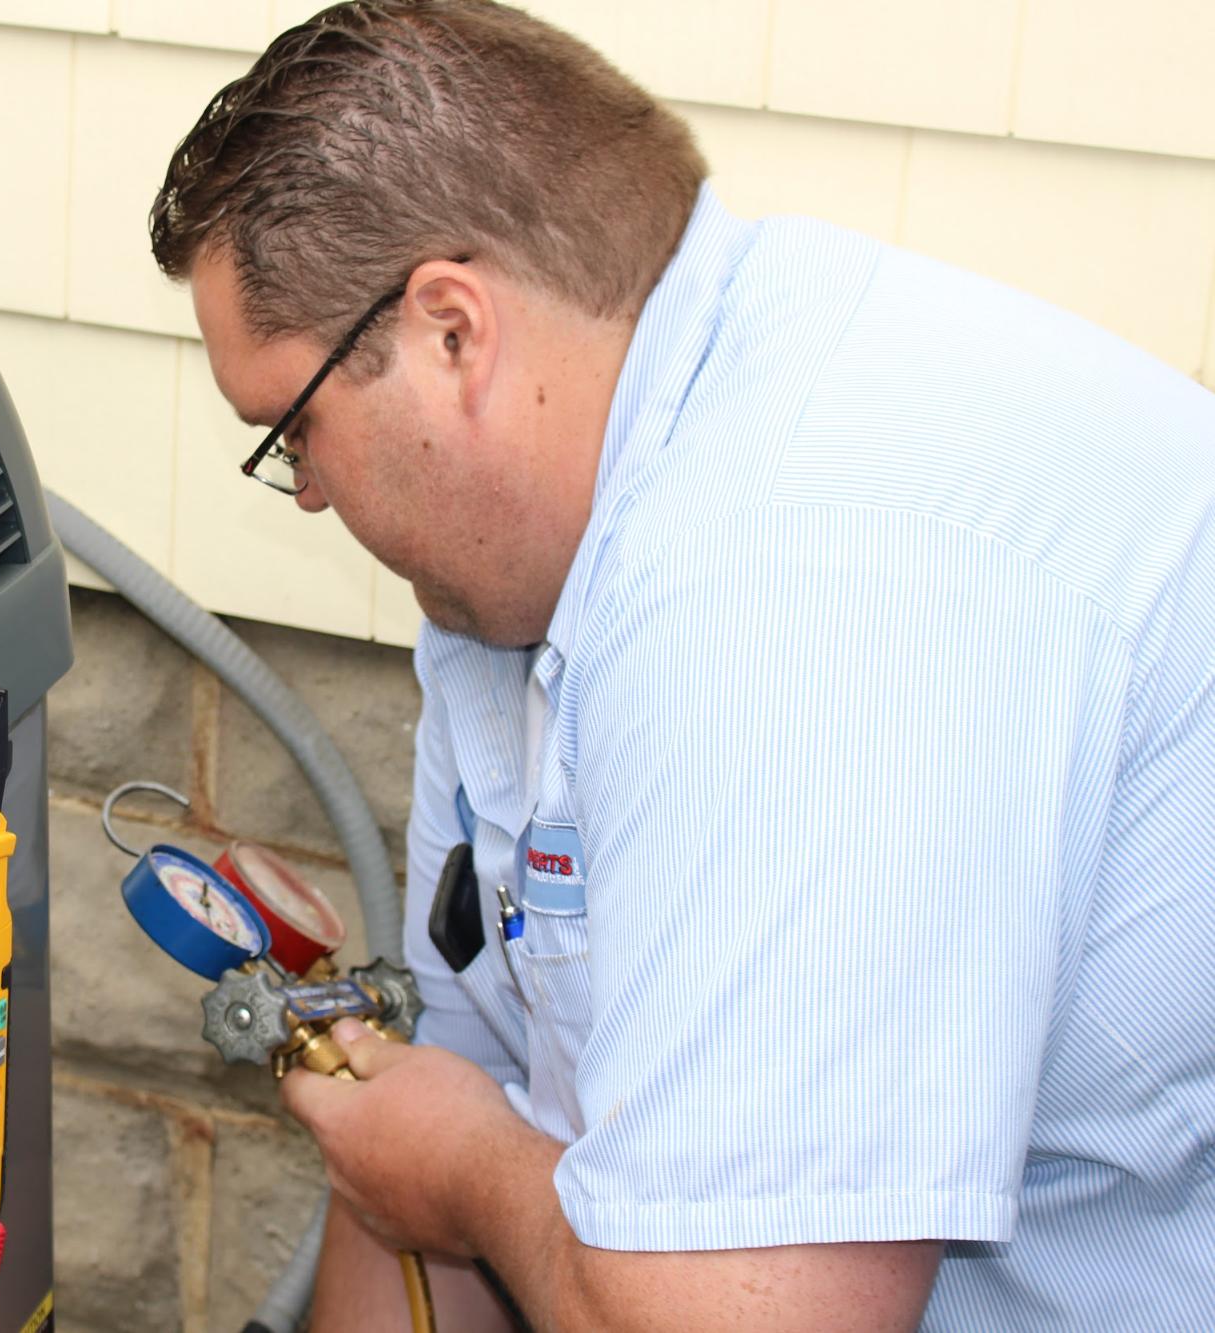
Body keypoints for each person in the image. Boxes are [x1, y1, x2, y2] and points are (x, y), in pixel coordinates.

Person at [148, 2, 1215, 1329]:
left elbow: (722, 1306)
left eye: (292, 432)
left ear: (452, 334)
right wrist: (443, 1157)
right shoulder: (521, 593)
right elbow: (450, 1105)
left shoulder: (798, 585)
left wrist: (473, 1173)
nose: (303, 495)